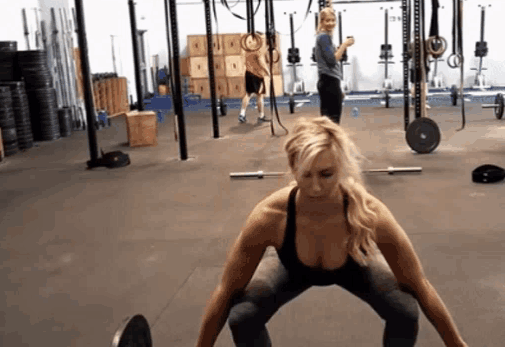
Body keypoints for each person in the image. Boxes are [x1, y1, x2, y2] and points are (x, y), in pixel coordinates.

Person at [195, 117, 469, 347]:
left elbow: (419, 284)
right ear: (292, 168)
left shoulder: (370, 214)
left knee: (405, 311)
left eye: (326, 175)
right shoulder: (270, 218)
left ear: (340, 170)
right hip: (290, 266)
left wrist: (457, 344)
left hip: (355, 261)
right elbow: (226, 290)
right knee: (243, 316)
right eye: (306, 174)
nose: (315, 187)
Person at [315, 7, 355, 124]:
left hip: (330, 80)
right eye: (327, 20)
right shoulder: (323, 37)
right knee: (332, 120)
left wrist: (340, 49)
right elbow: (332, 60)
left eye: (333, 20)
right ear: (321, 22)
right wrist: (344, 45)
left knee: (330, 119)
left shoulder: (325, 37)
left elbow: (332, 57)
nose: (331, 23)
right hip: (329, 81)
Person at [238, 49, 271, 124]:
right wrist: (268, 72)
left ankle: (242, 114)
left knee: (248, 94)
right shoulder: (258, 51)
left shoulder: (247, 52)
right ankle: (261, 116)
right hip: (257, 75)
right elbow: (262, 63)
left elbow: (244, 62)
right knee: (259, 95)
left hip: (248, 73)